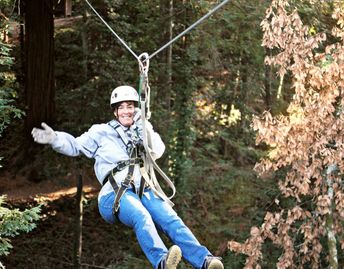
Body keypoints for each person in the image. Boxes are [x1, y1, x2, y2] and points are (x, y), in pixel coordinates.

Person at [31, 85, 224, 269]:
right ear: (115, 111)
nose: (126, 111)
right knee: (142, 215)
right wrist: (55, 138)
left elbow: (158, 150)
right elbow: (75, 145)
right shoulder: (101, 132)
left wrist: (144, 125)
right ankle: (162, 261)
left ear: (136, 109)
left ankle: (205, 261)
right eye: (121, 107)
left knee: (171, 219)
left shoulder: (142, 131)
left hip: (143, 190)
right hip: (113, 195)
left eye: (130, 106)